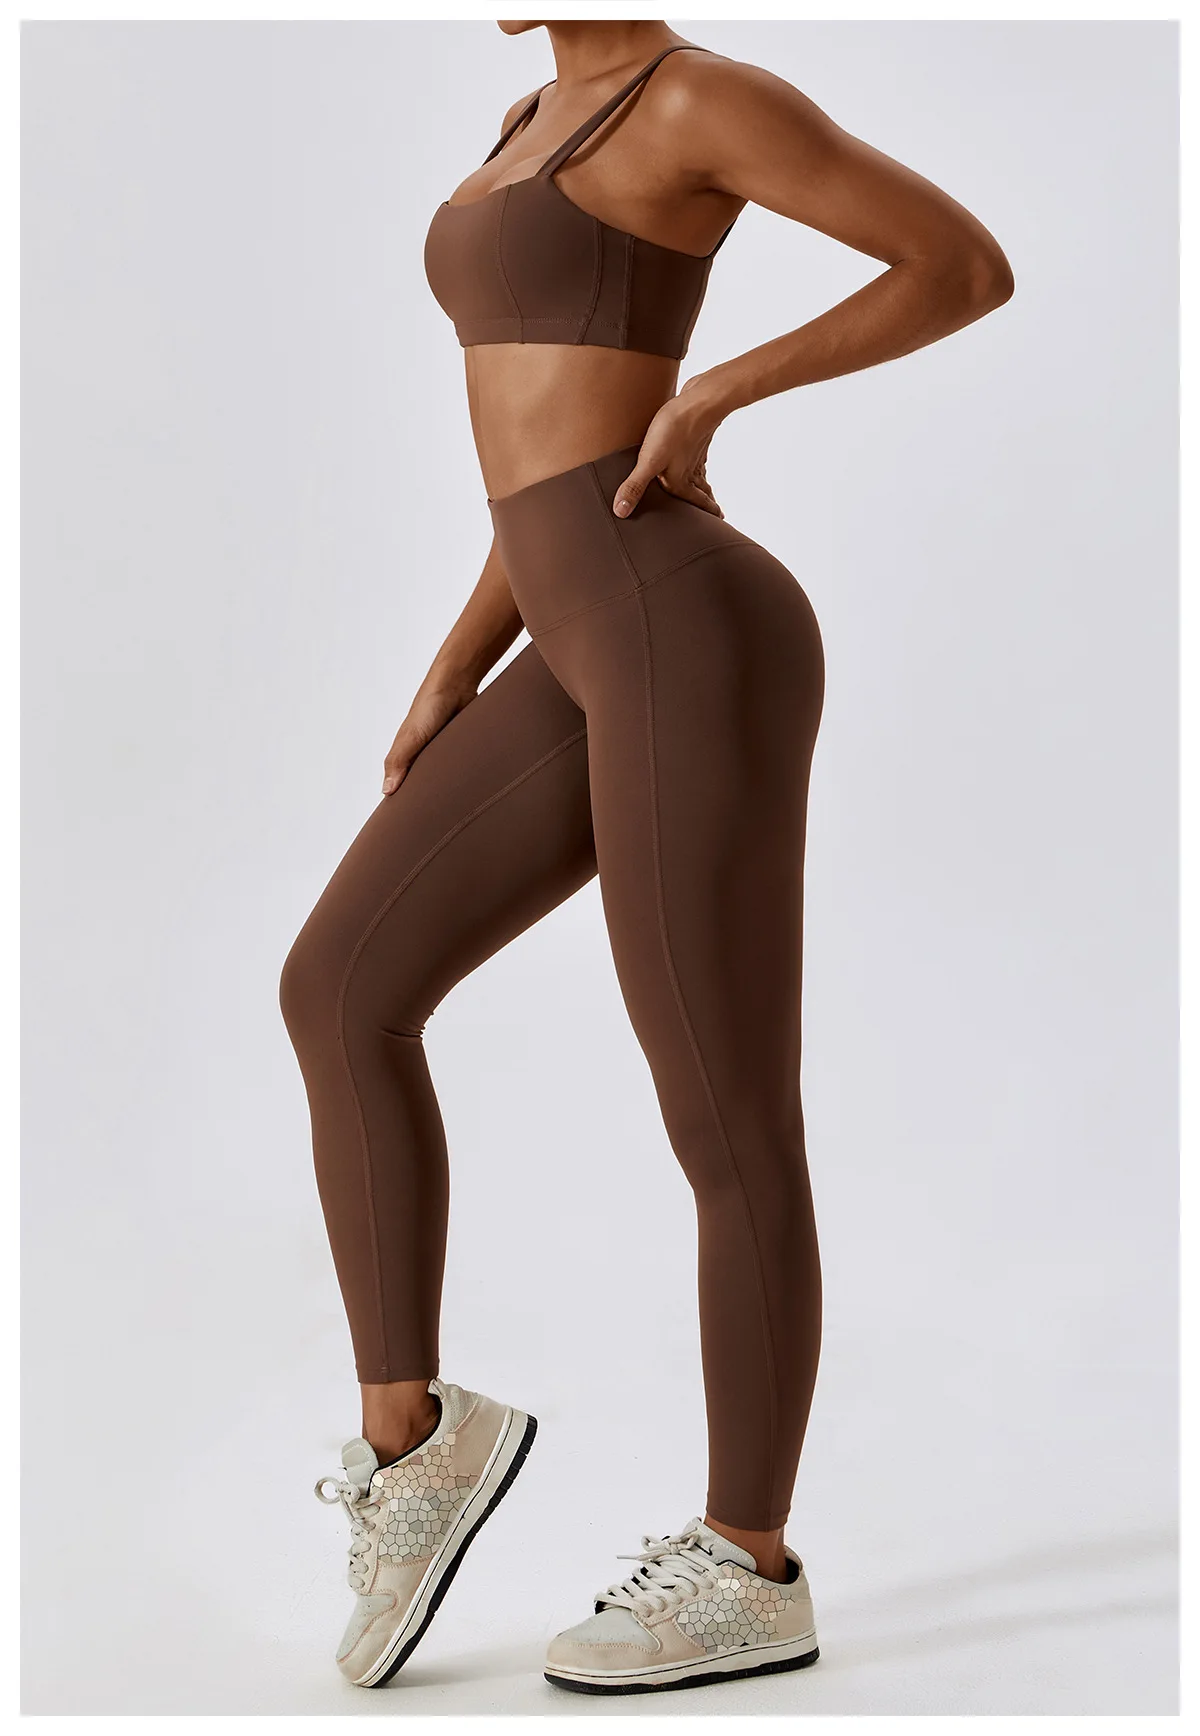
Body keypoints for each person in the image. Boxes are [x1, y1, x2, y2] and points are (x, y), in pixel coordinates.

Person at [282, 18, 1012, 1696]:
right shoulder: (525, 111)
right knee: (339, 988)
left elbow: (959, 266)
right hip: (574, 633)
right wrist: (457, 662)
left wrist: (717, 392)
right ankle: (414, 1448)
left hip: (689, 628)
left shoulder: (696, 98)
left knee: (725, 1110)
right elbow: (535, 441)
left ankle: (749, 1562)